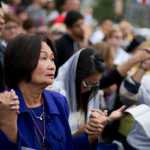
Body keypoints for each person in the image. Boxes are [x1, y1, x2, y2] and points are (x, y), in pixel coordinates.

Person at [0, 33, 96, 150]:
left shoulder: (58, 101)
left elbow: (67, 145)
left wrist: (90, 135)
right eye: (44, 58)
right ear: (21, 61)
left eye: (52, 59)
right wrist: (8, 123)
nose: (52, 66)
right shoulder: (6, 105)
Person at [50, 48, 126, 142]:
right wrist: (82, 131)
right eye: (87, 83)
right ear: (76, 76)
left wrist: (104, 120)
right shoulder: (56, 94)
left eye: (95, 84)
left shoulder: (89, 91)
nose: (89, 89)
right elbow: (55, 141)